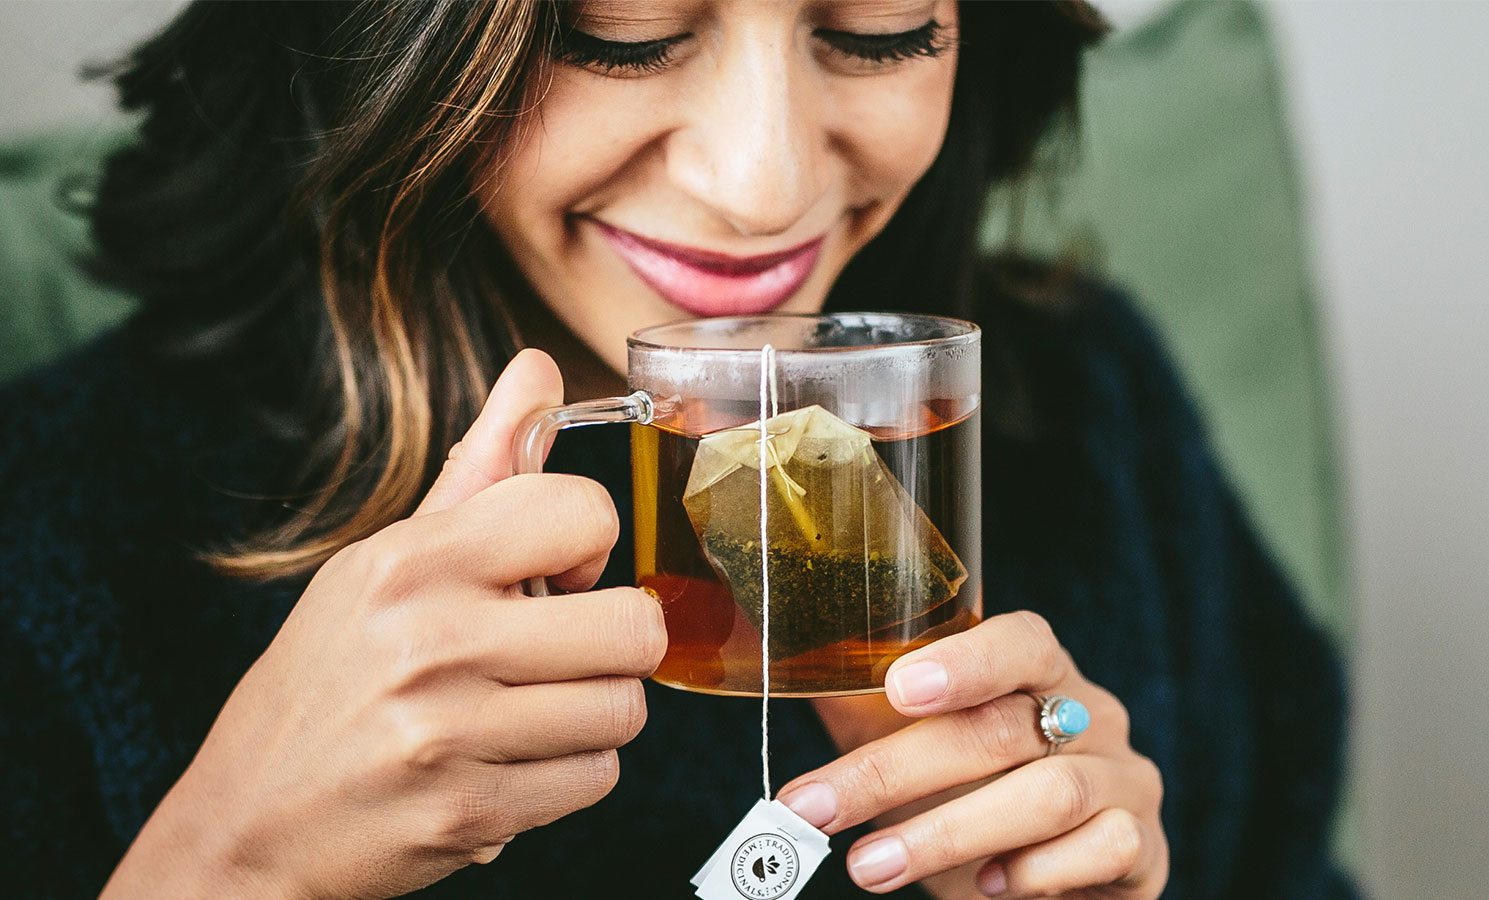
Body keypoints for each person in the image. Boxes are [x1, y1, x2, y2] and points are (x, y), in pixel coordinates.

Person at [0, 1, 1355, 897]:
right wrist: (228, 867)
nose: (764, 188)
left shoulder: (1083, 406)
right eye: (623, 30)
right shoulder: (54, 531)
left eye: (879, 28)